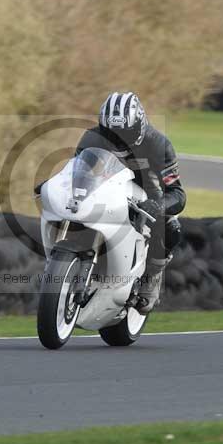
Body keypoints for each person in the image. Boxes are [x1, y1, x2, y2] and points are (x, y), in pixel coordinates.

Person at [75, 91, 186, 313]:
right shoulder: (92, 137)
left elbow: (177, 193)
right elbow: (75, 172)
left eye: (124, 132)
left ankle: (151, 279)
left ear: (140, 125)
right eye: (111, 132)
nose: (117, 138)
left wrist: (159, 205)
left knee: (171, 227)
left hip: (146, 196)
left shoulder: (158, 144)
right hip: (105, 190)